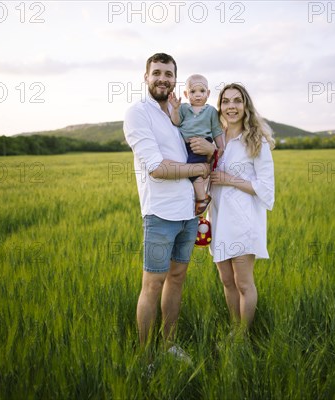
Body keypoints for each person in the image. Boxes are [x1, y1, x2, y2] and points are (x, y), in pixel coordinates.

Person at [123, 53, 211, 360]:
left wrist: (207, 158)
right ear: (145, 77)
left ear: (176, 79)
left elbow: (201, 148)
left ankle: (169, 344)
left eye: (168, 73)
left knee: (177, 279)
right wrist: (197, 171)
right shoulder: (138, 113)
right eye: (156, 72)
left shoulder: (180, 113)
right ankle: (146, 356)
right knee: (152, 284)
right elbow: (158, 168)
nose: (162, 78)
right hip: (160, 214)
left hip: (190, 212)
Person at [194, 83, 275, 334]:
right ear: (220, 107)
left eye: (237, 101)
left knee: (243, 282)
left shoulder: (256, 142)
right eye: (226, 101)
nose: (231, 106)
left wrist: (230, 179)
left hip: (243, 221)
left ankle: (242, 336)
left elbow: (267, 188)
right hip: (218, 219)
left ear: (245, 105)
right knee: (227, 281)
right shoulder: (214, 141)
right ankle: (234, 327)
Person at [169, 74, 225, 215]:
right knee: (189, 170)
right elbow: (176, 122)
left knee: (193, 170)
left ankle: (202, 198)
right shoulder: (183, 108)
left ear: (208, 93)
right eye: (193, 92)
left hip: (201, 144)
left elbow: (216, 130)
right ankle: (196, 196)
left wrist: (220, 146)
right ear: (186, 94)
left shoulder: (211, 111)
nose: (198, 95)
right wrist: (175, 109)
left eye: (202, 91)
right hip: (186, 146)